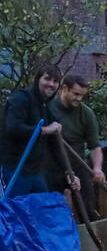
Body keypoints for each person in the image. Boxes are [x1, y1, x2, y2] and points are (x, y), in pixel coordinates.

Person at [1, 65, 72, 197]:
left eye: (55, 81)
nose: (51, 84)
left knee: (40, 210)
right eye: (47, 79)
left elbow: (55, 144)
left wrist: (68, 172)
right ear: (37, 79)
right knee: (16, 212)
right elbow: (13, 128)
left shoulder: (48, 107)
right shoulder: (20, 99)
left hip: (36, 172)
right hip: (14, 170)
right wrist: (45, 129)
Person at [49, 75, 103, 220]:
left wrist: (97, 168)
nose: (79, 99)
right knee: (53, 212)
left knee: (87, 208)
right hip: (52, 166)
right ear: (64, 89)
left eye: (82, 96)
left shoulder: (86, 113)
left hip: (78, 164)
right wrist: (67, 172)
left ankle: (90, 237)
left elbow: (94, 145)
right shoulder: (49, 109)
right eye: (76, 94)